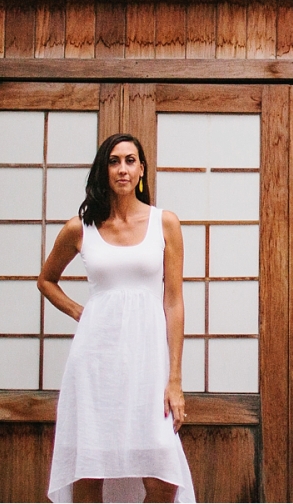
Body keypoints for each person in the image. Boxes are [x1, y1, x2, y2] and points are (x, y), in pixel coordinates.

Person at [40, 133, 196, 503]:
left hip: (148, 362)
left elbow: (174, 303)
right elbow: (46, 280)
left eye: (130, 160)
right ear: (103, 170)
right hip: (95, 363)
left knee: (162, 479)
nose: (122, 168)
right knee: (90, 472)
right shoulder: (80, 228)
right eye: (113, 161)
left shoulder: (165, 223)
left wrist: (174, 380)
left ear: (141, 170)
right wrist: (81, 312)